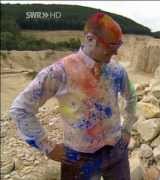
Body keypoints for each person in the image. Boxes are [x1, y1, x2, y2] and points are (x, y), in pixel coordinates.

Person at [10, 12, 137, 180]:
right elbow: (21, 108)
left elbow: (131, 97)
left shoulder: (116, 70)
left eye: (118, 47)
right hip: (78, 159)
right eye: (111, 47)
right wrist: (47, 146)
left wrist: (127, 129)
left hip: (116, 152)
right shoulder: (59, 72)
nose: (115, 53)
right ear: (90, 39)